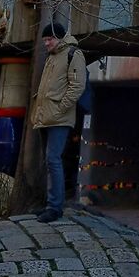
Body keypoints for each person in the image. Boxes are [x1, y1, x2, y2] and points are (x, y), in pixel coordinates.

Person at [27, 23, 88, 223]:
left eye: (49, 39)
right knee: (49, 161)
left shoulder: (73, 54)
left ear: (59, 37)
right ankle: (49, 204)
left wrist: (61, 109)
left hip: (59, 118)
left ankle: (55, 208)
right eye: (45, 40)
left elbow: (77, 86)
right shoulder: (52, 57)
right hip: (46, 117)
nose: (46, 43)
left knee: (53, 159)